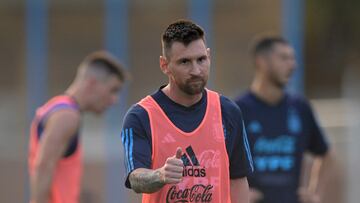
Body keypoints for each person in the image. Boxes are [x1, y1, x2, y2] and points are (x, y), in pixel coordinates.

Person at [121, 19, 253, 203]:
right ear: (164, 65)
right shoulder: (142, 115)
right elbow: (135, 178)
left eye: (201, 59)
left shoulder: (228, 111)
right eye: (184, 62)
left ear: (209, 56)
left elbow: (238, 179)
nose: (196, 70)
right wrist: (160, 175)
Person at [234, 37, 332, 203]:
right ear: (261, 61)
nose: (292, 65)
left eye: (293, 58)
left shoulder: (300, 107)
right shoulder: (238, 110)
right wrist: (238, 193)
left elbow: (324, 154)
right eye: (284, 58)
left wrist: (315, 194)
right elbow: (219, 159)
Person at [28, 51, 126, 203]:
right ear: (92, 83)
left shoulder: (56, 107)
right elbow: (43, 166)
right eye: (113, 90)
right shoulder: (68, 116)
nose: (115, 100)